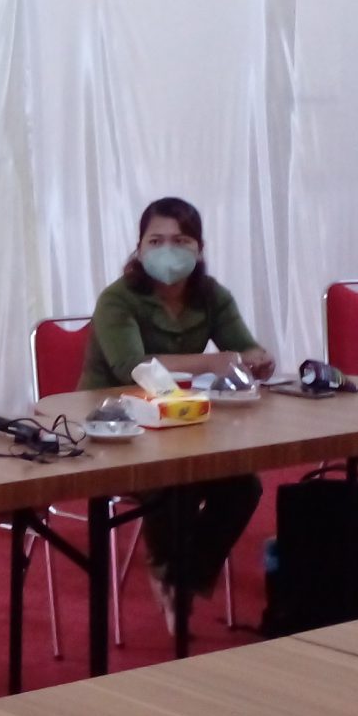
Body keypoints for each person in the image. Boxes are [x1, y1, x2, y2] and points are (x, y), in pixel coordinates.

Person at [78, 196, 275, 623]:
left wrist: (258, 358)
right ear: (140, 247)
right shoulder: (118, 298)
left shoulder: (210, 294)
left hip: (181, 420)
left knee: (244, 485)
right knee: (174, 483)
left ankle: (183, 577)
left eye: (180, 240)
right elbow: (132, 368)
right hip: (113, 424)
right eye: (156, 240)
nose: (168, 249)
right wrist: (210, 362)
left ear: (199, 249)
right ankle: (168, 571)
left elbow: (240, 346)